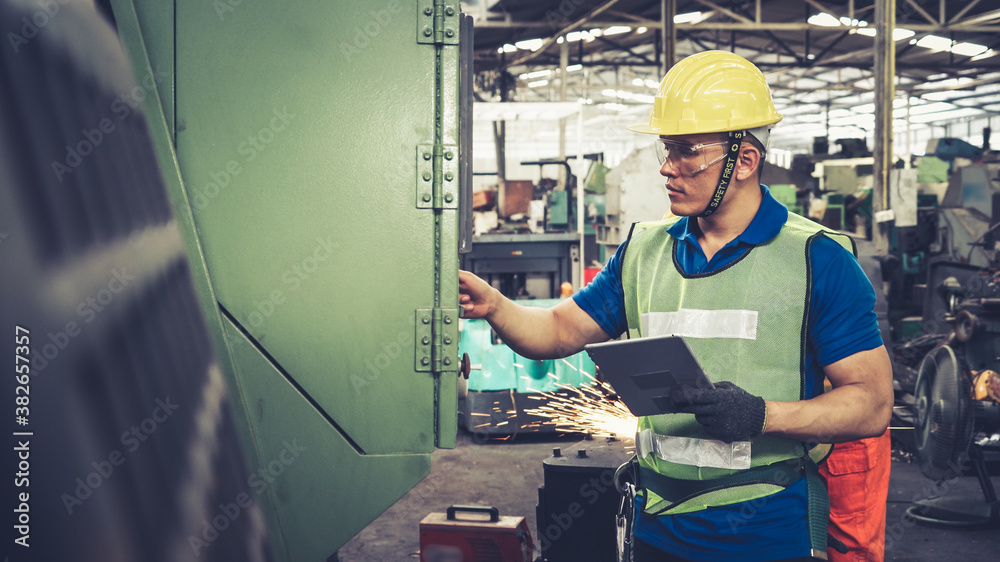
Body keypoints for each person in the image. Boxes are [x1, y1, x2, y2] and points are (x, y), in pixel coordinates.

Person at [459, 50, 893, 561]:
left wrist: (761, 415)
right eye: (668, 149)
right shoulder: (644, 249)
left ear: (746, 161)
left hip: (764, 532)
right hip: (656, 528)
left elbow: (872, 402)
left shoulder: (817, 257)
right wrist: (495, 306)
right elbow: (559, 330)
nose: (668, 167)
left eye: (687, 152)